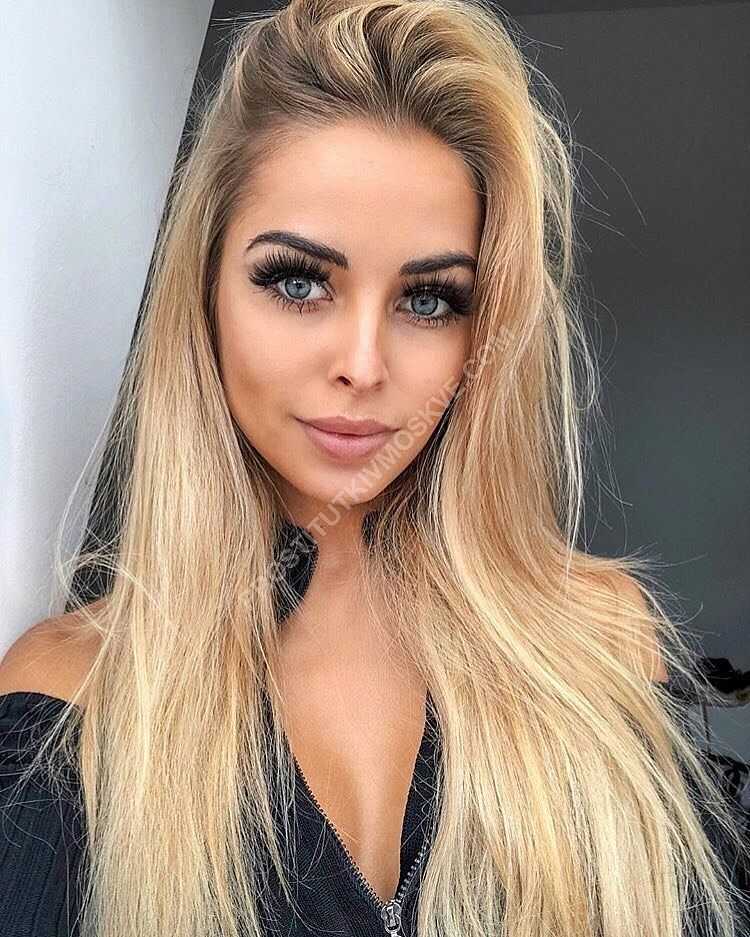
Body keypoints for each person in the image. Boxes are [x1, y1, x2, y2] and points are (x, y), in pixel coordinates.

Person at [1, 0, 747, 935]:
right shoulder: (77, 695)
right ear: (204, 288)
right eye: (299, 281)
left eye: (429, 300)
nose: (363, 363)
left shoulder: (598, 638)